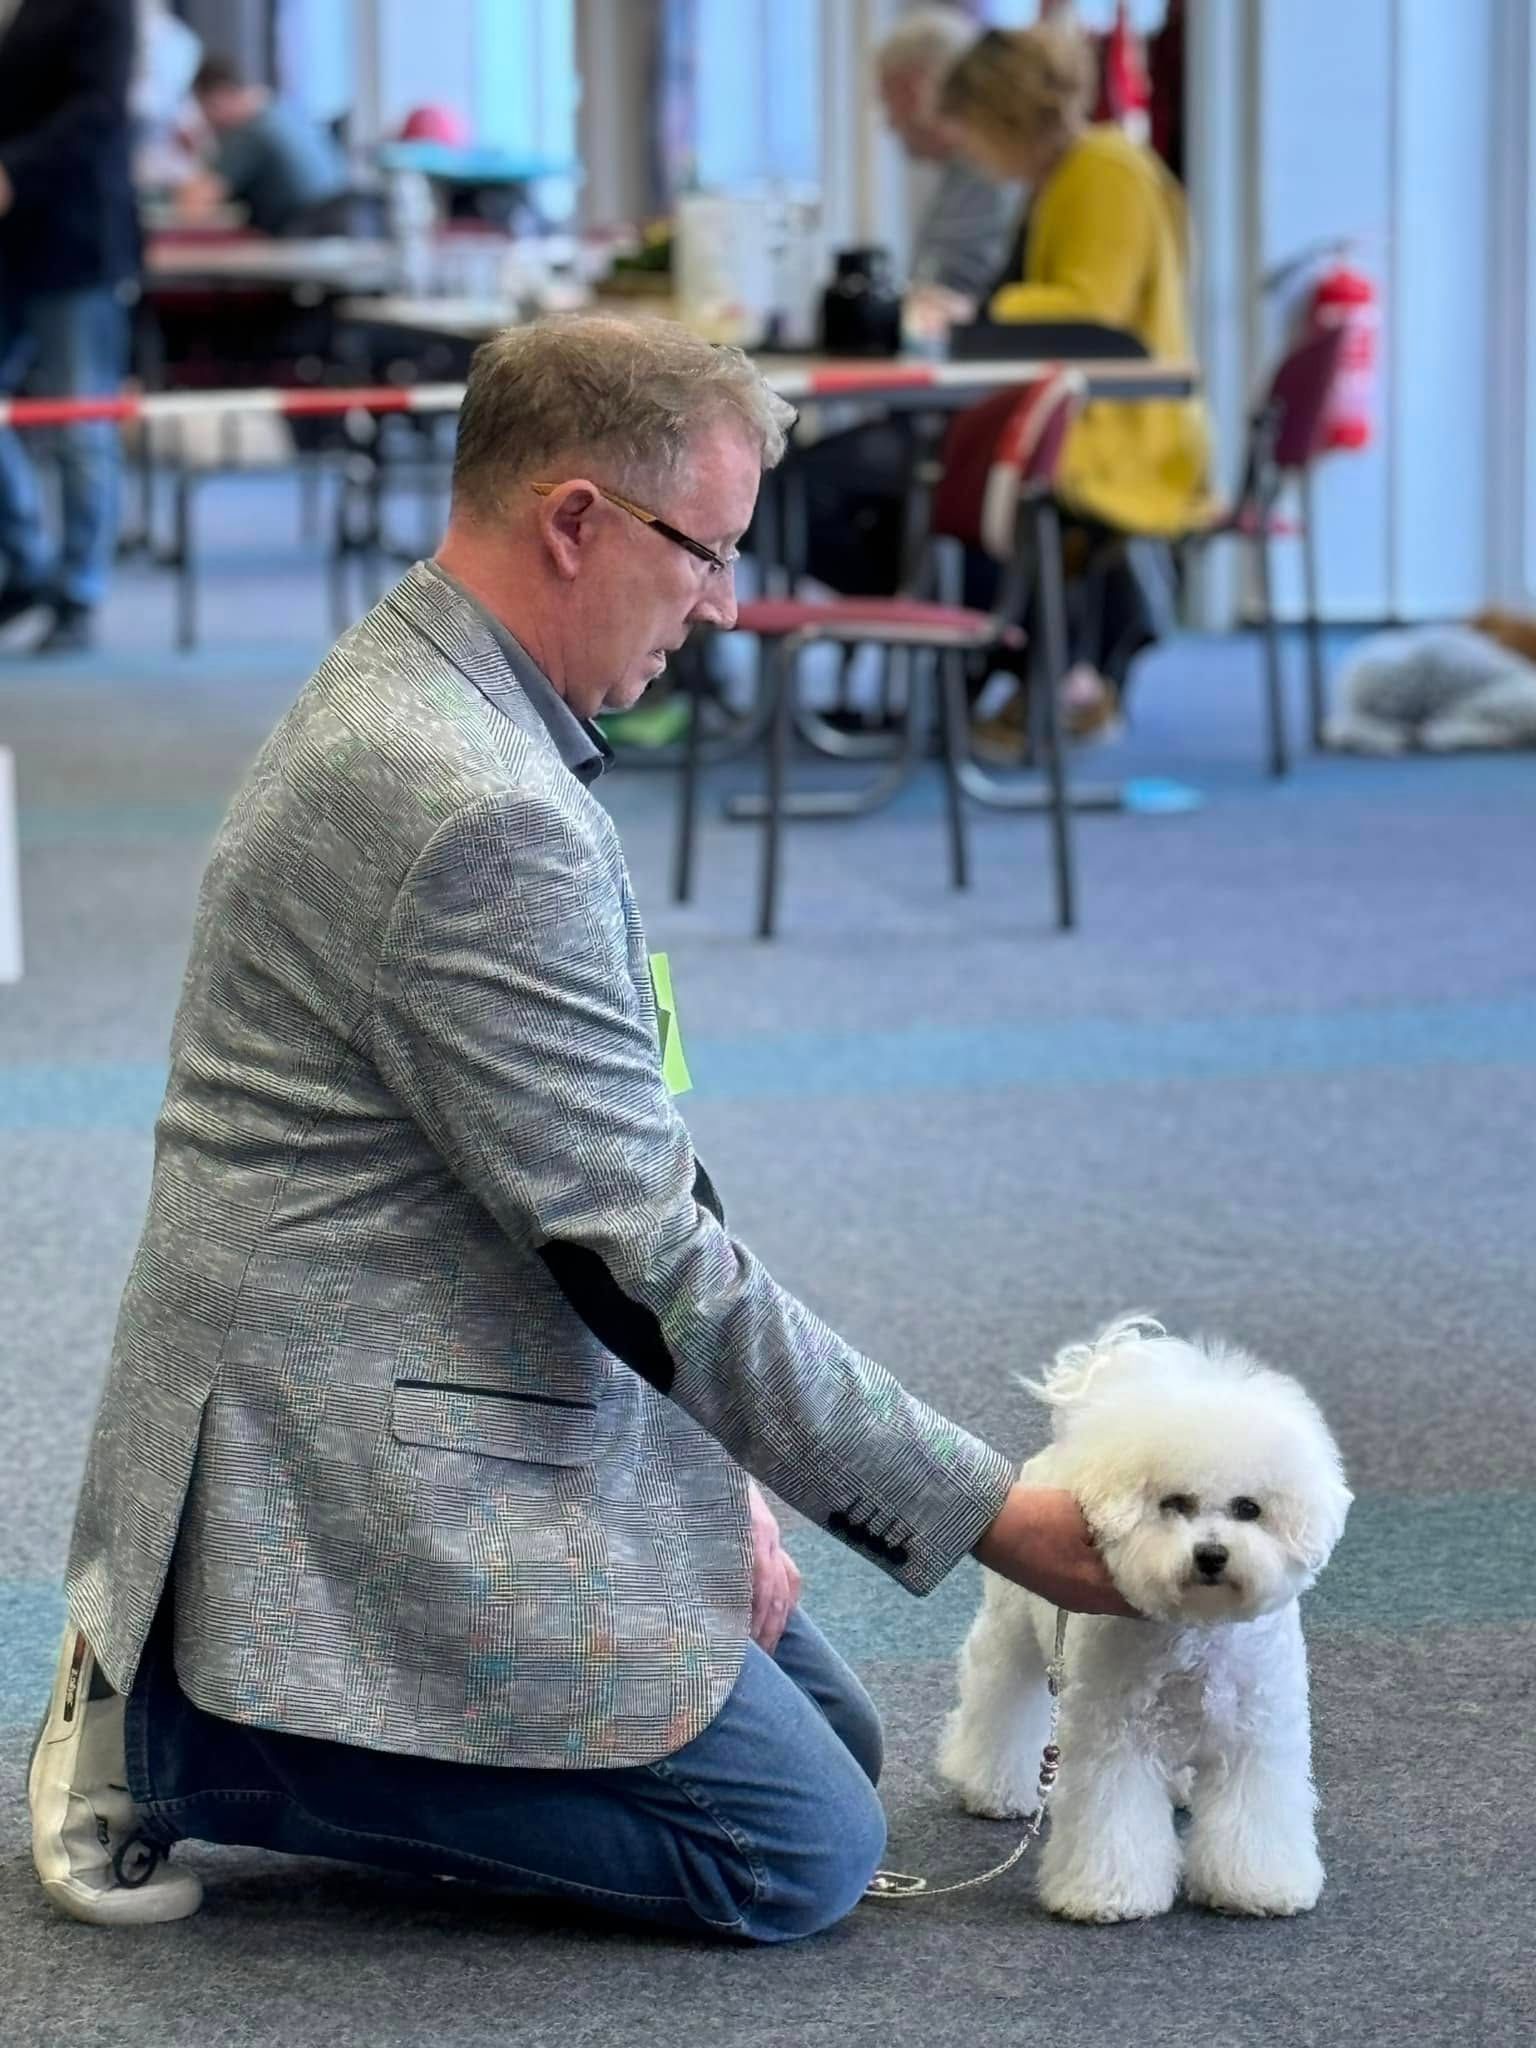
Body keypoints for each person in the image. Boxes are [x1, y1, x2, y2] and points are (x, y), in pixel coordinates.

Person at [29, 316, 1133, 1947]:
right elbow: (640, 1253)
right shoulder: (469, 801)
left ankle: (230, 1690)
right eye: (705, 551)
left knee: (831, 1741)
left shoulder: (432, 684)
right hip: (328, 1435)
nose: (724, 601)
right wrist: (994, 1517)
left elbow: (611, 1185)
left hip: (431, 1335)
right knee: (794, 1851)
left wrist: (715, 1467)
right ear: (572, 521)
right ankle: (184, 1737)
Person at [936, 20, 1213, 740]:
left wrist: (982, 311)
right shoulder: (1067, 174)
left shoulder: (1102, 171)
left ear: (998, 116)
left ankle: (1050, 673)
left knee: (942, 486)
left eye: (968, 130)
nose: (966, 149)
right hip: (1090, 412)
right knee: (938, 472)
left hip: (1119, 426)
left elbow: (1093, 306)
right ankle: (1031, 676)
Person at [0, 0, 137, 656]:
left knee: (81, 423)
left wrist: (14, 168)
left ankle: (79, 590)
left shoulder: (101, 8)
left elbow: (98, 112)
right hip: (11, 245)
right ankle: (26, 560)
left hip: (76, 238)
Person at [875, 6, 1014, 306]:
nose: (890, 124)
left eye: (889, 100)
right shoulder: (963, 168)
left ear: (918, 87)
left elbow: (956, 291)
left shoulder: (991, 168)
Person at [179, 54, 347, 238]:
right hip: (334, 229)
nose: (207, 120)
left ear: (219, 97)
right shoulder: (281, 110)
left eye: (205, 109)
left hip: (299, 238)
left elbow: (196, 202)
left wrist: (198, 150)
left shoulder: (249, 130)